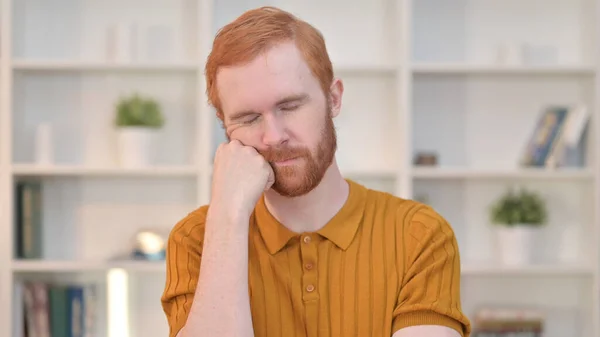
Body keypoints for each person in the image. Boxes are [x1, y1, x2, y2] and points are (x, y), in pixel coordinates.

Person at [160, 6, 471, 337]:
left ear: (333, 99)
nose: (273, 136)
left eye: (290, 106)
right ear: (226, 130)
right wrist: (228, 217)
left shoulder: (419, 235)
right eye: (249, 118)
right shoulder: (196, 239)